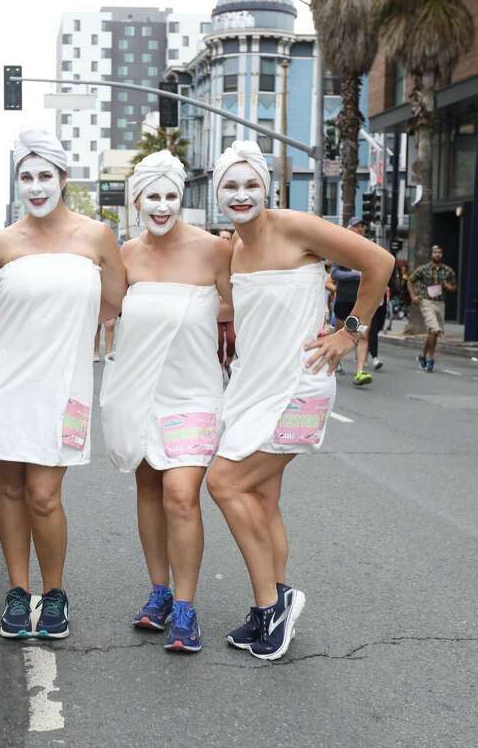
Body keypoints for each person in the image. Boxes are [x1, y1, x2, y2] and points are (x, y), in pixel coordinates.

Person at [205, 141, 393, 661]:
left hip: (302, 384)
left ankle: (270, 606)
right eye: (230, 186)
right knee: (261, 500)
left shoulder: (294, 227)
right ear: (218, 193)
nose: (241, 195)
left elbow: (380, 261)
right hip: (250, 387)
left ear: (266, 187)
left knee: (223, 482)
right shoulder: (232, 249)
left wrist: (349, 331)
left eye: (250, 184)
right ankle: (275, 598)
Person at [0, 128, 127, 640]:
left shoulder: (97, 237)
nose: (36, 186)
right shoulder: (0, 243)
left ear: (63, 178)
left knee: (44, 494)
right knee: (11, 488)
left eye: (45, 176)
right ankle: (18, 592)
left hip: (64, 384)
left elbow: (117, 303)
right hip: (3, 380)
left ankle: (54, 592)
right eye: (26, 176)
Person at [100, 150, 232, 653]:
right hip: (138, 392)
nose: (162, 205)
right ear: (136, 201)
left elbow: (246, 306)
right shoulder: (125, 255)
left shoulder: (215, 251)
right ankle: (157, 592)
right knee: (149, 492)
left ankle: (185, 606)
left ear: (183, 198)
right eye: (151, 196)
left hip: (194, 393)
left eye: (170, 195)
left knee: (181, 495)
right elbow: (102, 313)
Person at [331, 217, 371, 386]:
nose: (359, 229)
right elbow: (334, 274)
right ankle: (333, 366)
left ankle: (360, 371)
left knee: (363, 335)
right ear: (348, 228)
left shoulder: (368, 250)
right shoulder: (341, 250)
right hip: (343, 299)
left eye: (362, 226)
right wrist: (355, 274)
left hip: (360, 302)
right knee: (341, 335)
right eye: (356, 226)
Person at [408, 245, 457, 372]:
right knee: (434, 329)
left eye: (440, 252)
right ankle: (431, 358)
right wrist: (413, 296)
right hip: (426, 301)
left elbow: (454, 287)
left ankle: (423, 356)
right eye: (435, 252)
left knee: (434, 332)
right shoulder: (424, 269)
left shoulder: (448, 271)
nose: (437, 254)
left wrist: (448, 286)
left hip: (440, 303)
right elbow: (410, 281)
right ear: (431, 254)